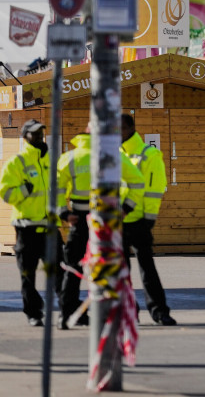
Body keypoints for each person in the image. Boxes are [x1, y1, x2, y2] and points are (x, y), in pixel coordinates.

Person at [57, 125, 145, 329]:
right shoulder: (113, 156)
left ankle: (66, 314)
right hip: (108, 221)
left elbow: (56, 188)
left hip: (79, 220)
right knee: (113, 266)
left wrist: (64, 213)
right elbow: (138, 182)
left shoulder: (71, 157)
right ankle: (119, 312)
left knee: (72, 268)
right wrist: (126, 209)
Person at [0, 118, 64, 326]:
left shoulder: (50, 162)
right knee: (28, 275)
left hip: (50, 227)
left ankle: (69, 309)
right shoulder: (16, 163)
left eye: (40, 132)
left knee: (60, 272)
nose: (38, 136)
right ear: (24, 136)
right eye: (34, 133)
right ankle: (34, 313)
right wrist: (24, 190)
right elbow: (6, 193)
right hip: (26, 226)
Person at [120, 113, 176, 326]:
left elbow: (154, 189)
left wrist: (149, 219)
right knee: (121, 270)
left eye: (121, 129)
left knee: (147, 268)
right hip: (119, 221)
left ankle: (160, 311)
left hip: (140, 220)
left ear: (131, 128)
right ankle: (129, 311)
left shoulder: (149, 154)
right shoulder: (116, 154)